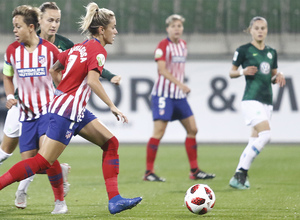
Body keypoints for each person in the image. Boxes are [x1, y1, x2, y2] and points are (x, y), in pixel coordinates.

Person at [0, 2, 142, 214]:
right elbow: (93, 81)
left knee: (111, 143)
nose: (116, 31)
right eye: (113, 27)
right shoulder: (99, 51)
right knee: (40, 162)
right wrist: (113, 107)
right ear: (102, 30)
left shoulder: (80, 46)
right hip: (67, 112)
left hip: (72, 109)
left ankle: (115, 200)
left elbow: (54, 68)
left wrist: (64, 90)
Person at [2, 5, 68, 214]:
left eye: (18, 26)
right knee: (31, 164)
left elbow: (65, 68)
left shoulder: (49, 50)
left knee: (45, 158)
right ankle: (61, 172)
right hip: (26, 115)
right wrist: (11, 96)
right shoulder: (12, 51)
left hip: (48, 113)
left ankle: (60, 202)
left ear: (31, 27)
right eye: (14, 26)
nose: (14, 30)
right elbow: (7, 76)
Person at [143, 14, 215, 182]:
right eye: (174, 26)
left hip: (178, 97)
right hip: (163, 95)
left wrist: (180, 88)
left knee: (193, 129)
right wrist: (180, 84)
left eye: (179, 26)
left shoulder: (183, 45)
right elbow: (162, 70)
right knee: (159, 132)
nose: (177, 29)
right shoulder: (163, 45)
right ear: (167, 28)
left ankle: (194, 171)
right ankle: (148, 172)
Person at [228, 16, 286, 190]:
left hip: (267, 101)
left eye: (263, 28)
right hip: (251, 99)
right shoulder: (244, 50)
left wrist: (278, 76)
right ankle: (242, 172)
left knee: (253, 140)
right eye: (257, 28)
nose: (260, 31)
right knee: (266, 135)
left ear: (266, 30)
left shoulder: (271, 52)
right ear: (250, 30)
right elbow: (231, 73)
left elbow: (273, 76)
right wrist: (242, 71)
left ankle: (237, 177)